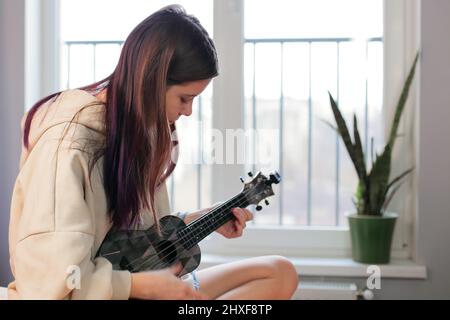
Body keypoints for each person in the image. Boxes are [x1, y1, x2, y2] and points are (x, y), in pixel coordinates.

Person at [8, 4, 298, 300]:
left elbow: (129, 241)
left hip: (134, 288)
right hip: (108, 293)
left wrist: (196, 220)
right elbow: (53, 279)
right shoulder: (68, 145)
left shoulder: (138, 133)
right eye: (184, 98)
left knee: (279, 272)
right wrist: (142, 286)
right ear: (151, 80)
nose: (188, 112)